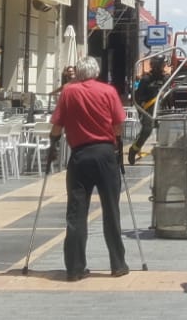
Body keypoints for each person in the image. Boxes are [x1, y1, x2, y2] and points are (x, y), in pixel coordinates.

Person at [48, 57, 128, 282]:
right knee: (111, 210)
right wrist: (118, 148)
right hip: (105, 153)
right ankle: (118, 264)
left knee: (76, 213)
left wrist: (52, 145)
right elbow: (118, 124)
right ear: (96, 72)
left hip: (80, 156)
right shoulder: (108, 91)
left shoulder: (68, 93)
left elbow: (57, 126)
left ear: (79, 73)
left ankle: (74, 268)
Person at [128, 54, 168, 166]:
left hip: (162, 110)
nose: (163, 66)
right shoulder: (146, 79)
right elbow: (137, 97)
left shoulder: (165, 78)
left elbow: (170, 95)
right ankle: (133, 150)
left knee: (166, 132)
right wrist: (141, 112)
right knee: (146, 131)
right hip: (148, 110)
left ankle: (164, 157)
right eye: (162, 64)